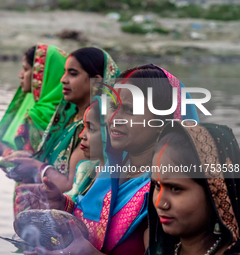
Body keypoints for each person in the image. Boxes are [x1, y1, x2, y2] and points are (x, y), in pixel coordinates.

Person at [15, 64, 200, 255]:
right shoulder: (110, 173)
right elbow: (95, 226)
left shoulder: (166, 191)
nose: (113, 119)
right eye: (113, 106)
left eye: (128, 110)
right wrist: (63, 207)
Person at [8, 47, 120, 193]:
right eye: (64, 72)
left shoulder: (97, 129)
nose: (63, 80)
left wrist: (36, 167)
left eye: (72, 74)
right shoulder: (67, 119)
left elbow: (73, 186)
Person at [148, 121, 240, 255]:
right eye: (157, 186)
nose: (160, 203)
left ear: (215, 192)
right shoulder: (159, 251)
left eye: (175, 189)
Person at [0, 44, 67, 157]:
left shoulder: (42, 115)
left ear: (41, 75)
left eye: (26, 69)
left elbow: (35, 163)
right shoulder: (68, 108)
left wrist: (3, 151)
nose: (20, 75)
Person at [65, 97, 107, 201]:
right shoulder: (85, 169)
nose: (81, 135)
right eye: (84, 127)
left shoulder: (119, 180)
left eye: (91, 128)